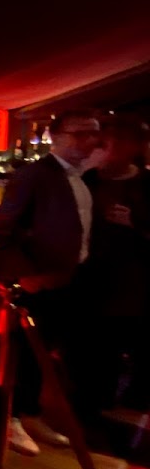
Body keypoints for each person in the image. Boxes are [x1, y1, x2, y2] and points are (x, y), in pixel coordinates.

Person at [0, 109, 103, 455]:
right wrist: (25, 274)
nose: (90, 141)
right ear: (55, 137)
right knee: (26, 354)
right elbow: (5, 229)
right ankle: (12, 421)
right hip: (38, 281)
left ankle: (31, 415)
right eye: (80, 133)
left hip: (68, 278)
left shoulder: (82, 177)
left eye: (94, 134)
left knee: (45, 354)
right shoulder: (34, 175)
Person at [82, 114, 150, 413]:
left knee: (139, 339)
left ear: (134, 146)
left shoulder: (146, 183)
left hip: (138, 276)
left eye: (120, 141)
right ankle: (98, 399)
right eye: (106, 141)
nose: (110, 147)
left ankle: (137, 399)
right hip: (94, 273)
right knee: (98, 341)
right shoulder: (89, 179)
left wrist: (134, 222)